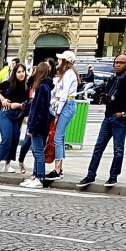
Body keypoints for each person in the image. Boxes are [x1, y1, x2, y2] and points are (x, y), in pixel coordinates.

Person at [77, 53, 126, 188]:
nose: (118, 65)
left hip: (120, 119)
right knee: (98, 147)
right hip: (108, 117)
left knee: (118, 149)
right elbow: (109, 94)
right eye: (116, 62)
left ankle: (113, 176)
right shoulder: (113, 78)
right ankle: (90, 175)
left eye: (121, 62)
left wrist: (124, 113)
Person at [45, 50, 79, 182]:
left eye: (61, 60)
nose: (58, 61)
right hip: (66, 104)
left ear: (66, 61)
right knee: (60, 137)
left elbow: (63, 95)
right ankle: (59, 168)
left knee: (58, 137)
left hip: (67, 104)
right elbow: (57, 91)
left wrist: (58, 112)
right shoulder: (66, 74)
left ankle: (57, 170)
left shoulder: (69, 74)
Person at [21, 62, 54, 189]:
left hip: (38, 125)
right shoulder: (46, 87)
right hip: (42, 124)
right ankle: (35, 176)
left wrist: (32, 127)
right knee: (37, 151)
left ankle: (39, 177)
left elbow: (37, 109)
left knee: (38, 152)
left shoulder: (41, 88)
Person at [0, 62, 29, 173]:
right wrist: (2, 99)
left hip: (18, 115)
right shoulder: (9, 84)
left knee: (14, 139)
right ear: (15, 73)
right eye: (19, 72)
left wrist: (20, 105)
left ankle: (8, 163)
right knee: (7, 138)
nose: (21, 74)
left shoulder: (26, 87)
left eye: (23, 72)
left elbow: (26, 102)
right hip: (6, 113)